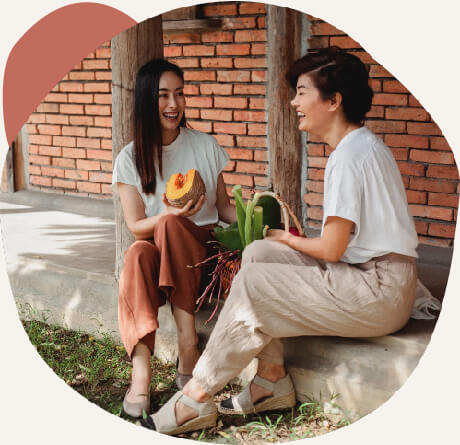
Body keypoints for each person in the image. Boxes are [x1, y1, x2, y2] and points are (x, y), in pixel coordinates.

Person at [139, 46, 419, 435]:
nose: (294, 102)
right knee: (257, 253)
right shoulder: (359, 146)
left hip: (377, 291)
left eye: (302, 92)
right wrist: (274, 241)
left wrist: (282, 235)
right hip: (376, 280)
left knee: (257, 278)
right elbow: (334, 248)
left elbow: (331, 250)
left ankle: (196, 397)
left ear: (334, 101)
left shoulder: (349, 157)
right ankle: (270, 381)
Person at [112, 59, 236, 418]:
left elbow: (223, 206)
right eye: (163, 95)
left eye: (179, 94)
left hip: (205, 255)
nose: (174, 104)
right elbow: (136, 225)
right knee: (138, 253)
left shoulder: (205, 146)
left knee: (168, 227)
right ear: (146, 101)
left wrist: (252, 216)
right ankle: (141, 372)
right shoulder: (129, 158)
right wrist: (170, 215)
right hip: (160, 256)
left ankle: (187, 343)